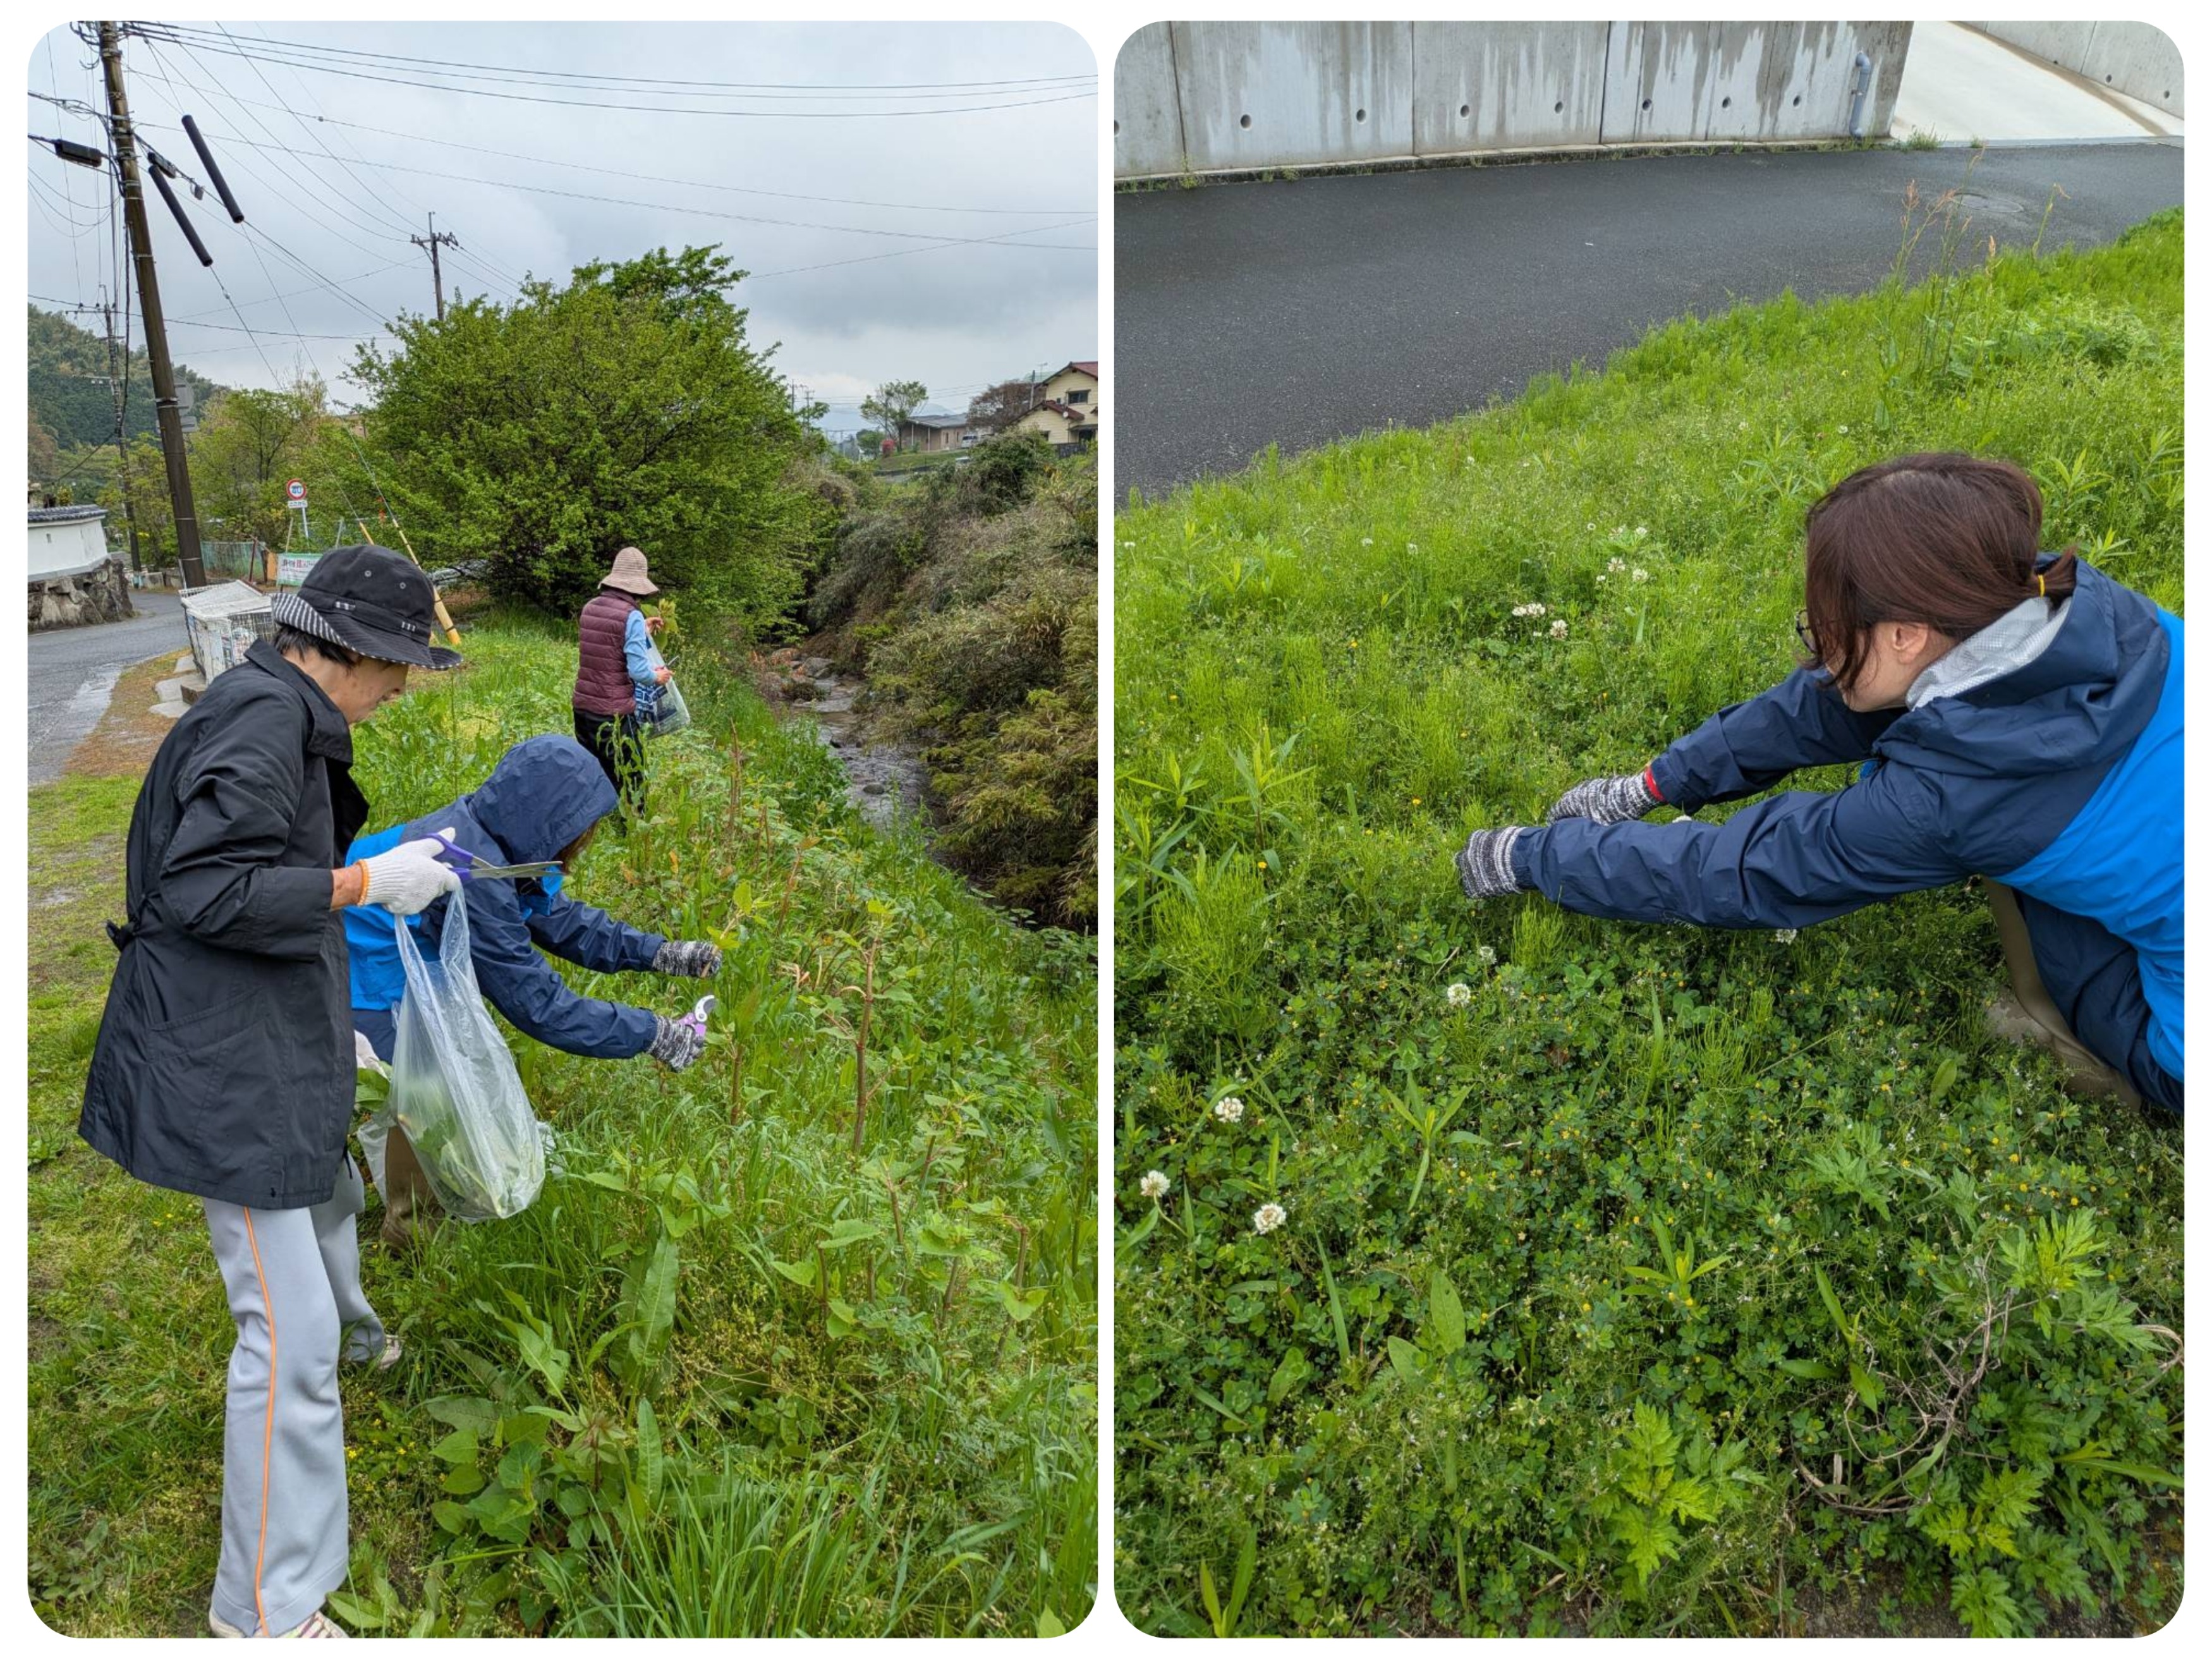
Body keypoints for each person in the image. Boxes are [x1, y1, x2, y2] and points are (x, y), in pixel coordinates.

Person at [1455, 453, 2181, 1114]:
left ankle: (2076, 1045)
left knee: (2021, 883)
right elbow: (1828, 700)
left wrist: (1533, 855)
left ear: (1905, 634)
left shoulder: (1946, 800)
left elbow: (1747, 874)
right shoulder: (2069, 603)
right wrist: (1652, 784)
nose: (1817, 646)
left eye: (1824, 627)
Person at [78, 547, 464, 1639]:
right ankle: (267, 1615)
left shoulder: (274, 706)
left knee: (318, 1239)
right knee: (283, 1342)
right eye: (400, 665)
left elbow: (238, 880)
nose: (403, 686)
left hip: (257, 1036)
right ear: (348, 650)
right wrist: (359, 883)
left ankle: (345, 1367)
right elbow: (204, 887)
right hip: (223, 1063)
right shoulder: (263, 719)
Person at [344, 734, 722, 1247]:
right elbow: (540, 1006)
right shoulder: (474, 870)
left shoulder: (496, 843)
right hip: (358, 978)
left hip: (396, 967)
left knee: (450, 1080)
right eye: (580, 832)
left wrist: (660, 953)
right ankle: (411, 1237)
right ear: (550, 822)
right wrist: (653, 1033)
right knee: (425, 1095)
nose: (582, 845)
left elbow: (563, 922)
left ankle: (426, 1204)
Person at [571, 545, 669, 814]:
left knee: (597, 770)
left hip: (583, 708)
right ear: (638, 586)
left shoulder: (590, 607)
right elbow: (639, 672)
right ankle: (633, 827)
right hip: (613, 715)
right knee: (632, 775)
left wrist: (642, 628)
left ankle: (594, 821)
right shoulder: (631, 616)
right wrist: (658, 677)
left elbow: (607, 642)